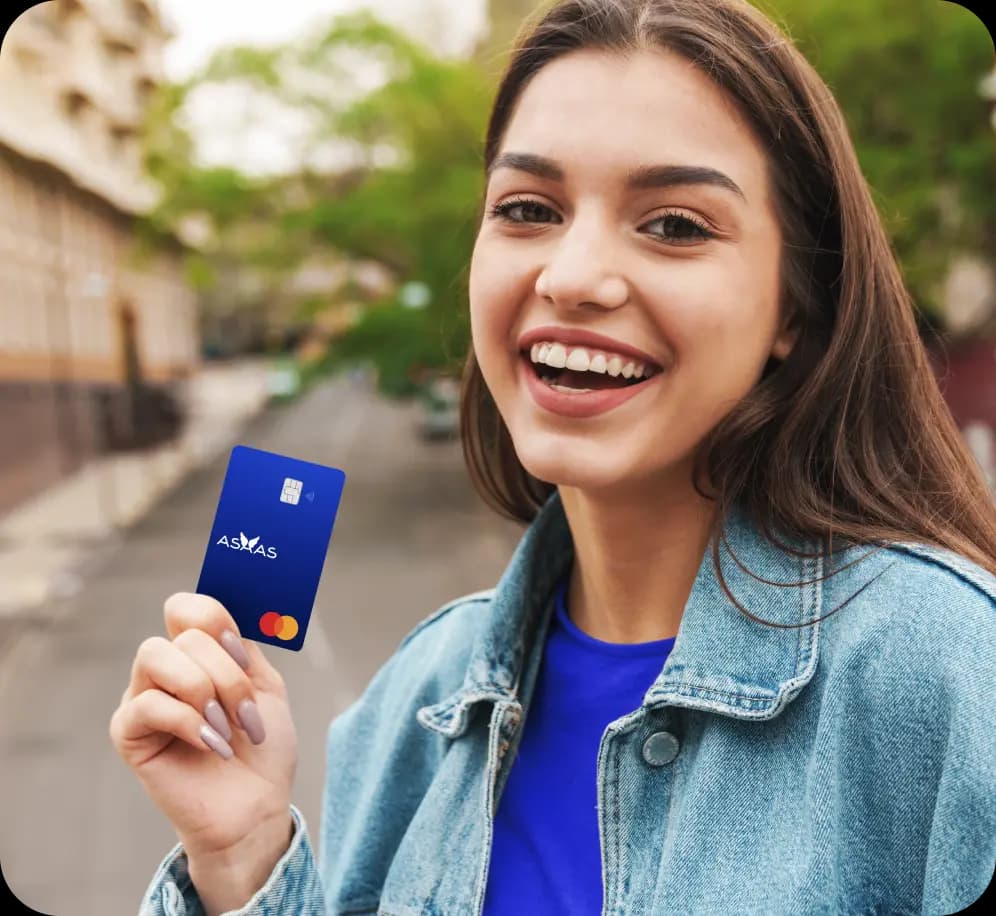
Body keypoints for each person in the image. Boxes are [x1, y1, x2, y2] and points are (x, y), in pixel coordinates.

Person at [110, 1, 996, 913]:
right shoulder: (415, 699)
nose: (571, 277)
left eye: (676, 224)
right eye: (529, 209)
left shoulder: (952, 676)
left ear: (795, 309)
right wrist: (243, 859)